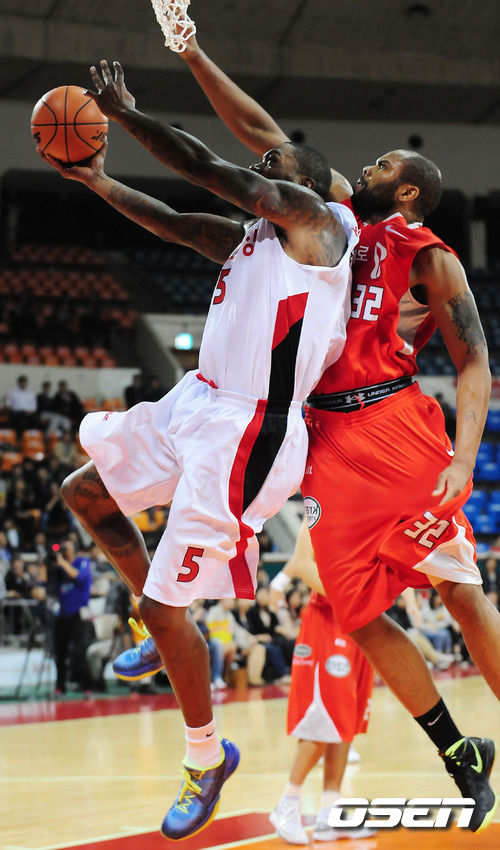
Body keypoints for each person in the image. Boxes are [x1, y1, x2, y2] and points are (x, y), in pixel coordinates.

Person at [171, 30, 500, 832]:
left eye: (383, 165)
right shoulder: (333, 223)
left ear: (409, 191)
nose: (366, 168)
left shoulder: (425, 253)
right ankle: (459, 751)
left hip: (392, 424)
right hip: (323, 442)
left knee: (459, 590)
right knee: (355, 614)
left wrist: (464, 460)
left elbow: (474, 363)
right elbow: (264, 136)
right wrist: (192, 52)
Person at [38, 59, 357, 841]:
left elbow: (212, 170)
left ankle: (205, 757)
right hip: (198, 403)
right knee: (84, 493)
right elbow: (174, 222)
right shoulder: (254, 240)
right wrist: (97, 181)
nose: (262, 166)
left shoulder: (317, 227)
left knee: (163, 605)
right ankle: (157, 627)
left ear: (305, 186)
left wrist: (126, 114)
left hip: (250, 431)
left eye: (275, 164)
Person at [268, 517, 375, 843]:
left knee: (345, 723)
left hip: (361, 621)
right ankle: (287, 805)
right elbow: (302, 563)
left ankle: (330, 813)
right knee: (322, 718)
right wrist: (351, 600)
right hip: (328, 620)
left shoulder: (375, 505)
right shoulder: (321, 505)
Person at [52, 539, 94, 695]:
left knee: (79, 652)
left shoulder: (83, 562)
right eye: (62, 548)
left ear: (74, 549)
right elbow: (48, 583)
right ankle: (60, 687)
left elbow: (78, 576)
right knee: (60, 653)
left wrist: (62, 563)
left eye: (67, 548)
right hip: (63, 614)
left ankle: (87, 687)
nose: (64, 551)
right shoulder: (58, 567)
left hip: (79, 614)